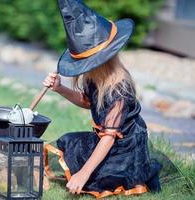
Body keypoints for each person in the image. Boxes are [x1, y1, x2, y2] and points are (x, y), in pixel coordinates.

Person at [42, 0, 161, 198]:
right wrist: (60, 88)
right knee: (68, 142)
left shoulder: (119, 89)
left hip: (124, 149)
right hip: (105, 138)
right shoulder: (94, 78)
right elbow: (87, 102)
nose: (83, 69)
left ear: (102, 61)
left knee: (97, 178)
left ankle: (114, 174)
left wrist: (82, 174)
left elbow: (108, 138)